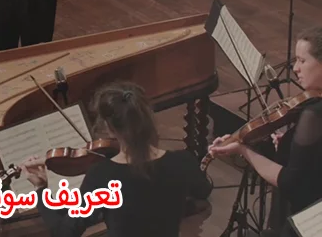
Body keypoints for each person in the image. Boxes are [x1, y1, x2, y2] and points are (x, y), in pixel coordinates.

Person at [20, 81, 213, 237]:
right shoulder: (182, 162)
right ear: (147, 117)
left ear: (109, 128)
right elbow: (203, 190)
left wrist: (41, 189)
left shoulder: (102, 176)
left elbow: (64, 233)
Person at [208, 27, 322, 237]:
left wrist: (244, 150)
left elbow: (290, 182)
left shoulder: (313, 114)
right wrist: (289, 145)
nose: (295, 68)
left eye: (302, 61)